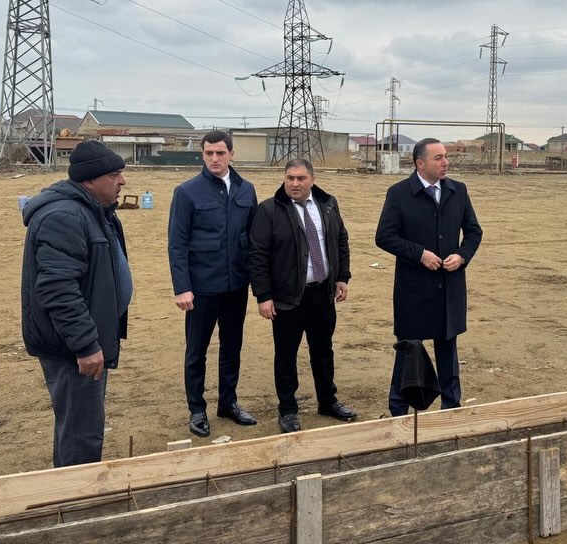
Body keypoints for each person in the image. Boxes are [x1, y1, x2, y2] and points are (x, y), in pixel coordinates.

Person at [20, 140, 132, 467]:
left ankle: (75, 485)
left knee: (82, 425)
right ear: (89, 181)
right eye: (114, 175)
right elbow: (58, 288)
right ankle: (75, 493)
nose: (122, 181)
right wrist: (85, 344)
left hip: (84, 340)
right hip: (72, 348)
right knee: (80, 433)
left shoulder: (93, 210)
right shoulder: (65, 217)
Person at [375, 137, 483, 416]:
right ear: (420, 164)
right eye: (438, 158)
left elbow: (474, 232)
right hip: (414, 288)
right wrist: (420, 254)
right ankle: (398, 410)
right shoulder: (399, 193)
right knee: (409, 350)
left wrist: (462, 256)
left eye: (445, 156)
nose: (446, 162)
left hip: (449, 285)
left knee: (447, 348)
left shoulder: (458, 191)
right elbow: (384, 236)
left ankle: (451, 407)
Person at [249, 159, 357, 433]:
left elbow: (341, 240)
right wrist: (263, 295)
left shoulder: (328, 204)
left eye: (301, 178)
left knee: (323, 350)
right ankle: (287, 409)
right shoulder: (269, 210)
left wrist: (342, 276)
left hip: (322, 293)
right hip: (287, 298)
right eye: (290, 178)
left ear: (312, 179)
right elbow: (257, 255)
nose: (294, 184)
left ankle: (327, 401)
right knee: (286, 355)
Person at [168, 130, 259, 437]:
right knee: (197, 350)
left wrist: (257, 283)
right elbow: (177, 243)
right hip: (202, 288)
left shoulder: (246, 190)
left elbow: (254, 239)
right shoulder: (187, 192)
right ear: (202, 154)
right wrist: (182, 287)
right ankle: (197, 409)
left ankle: (228, 402)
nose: (214, 159)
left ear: (231, 154)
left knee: (232, 347)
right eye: (209, 153)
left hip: (236, 286)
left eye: (220, 153)